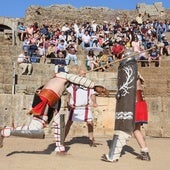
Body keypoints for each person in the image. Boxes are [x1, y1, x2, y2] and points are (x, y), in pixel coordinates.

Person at [0, 69, 108, 150]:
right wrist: (96, 86)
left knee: (58, 123)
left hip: (51, 99)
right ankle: (6, 131)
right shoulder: (63, 76)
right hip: (46, 98)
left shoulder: (59, 80)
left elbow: (76, 83)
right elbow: (80, 81)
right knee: (35, 128)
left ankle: (60, 146)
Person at [64, 70, 98, 147]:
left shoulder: (89, 84)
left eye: (84, 73)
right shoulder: (73, 85)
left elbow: (93, 94)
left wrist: (94, 102)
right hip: (75, 107)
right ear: (79, 75)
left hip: (85, 107)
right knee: (69, 123)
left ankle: (91, 140)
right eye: (82, 73)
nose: (83, 75)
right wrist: (68, 104)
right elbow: (68, 96)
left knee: (90, 123)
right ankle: (62, 140)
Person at [134, 73, 151, 161]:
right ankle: (144, 151)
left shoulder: (133, 78)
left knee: (134, 129)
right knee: (137, 129)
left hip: (136, 104)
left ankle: (144, 151)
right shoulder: (139, 80)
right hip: (141, 104)